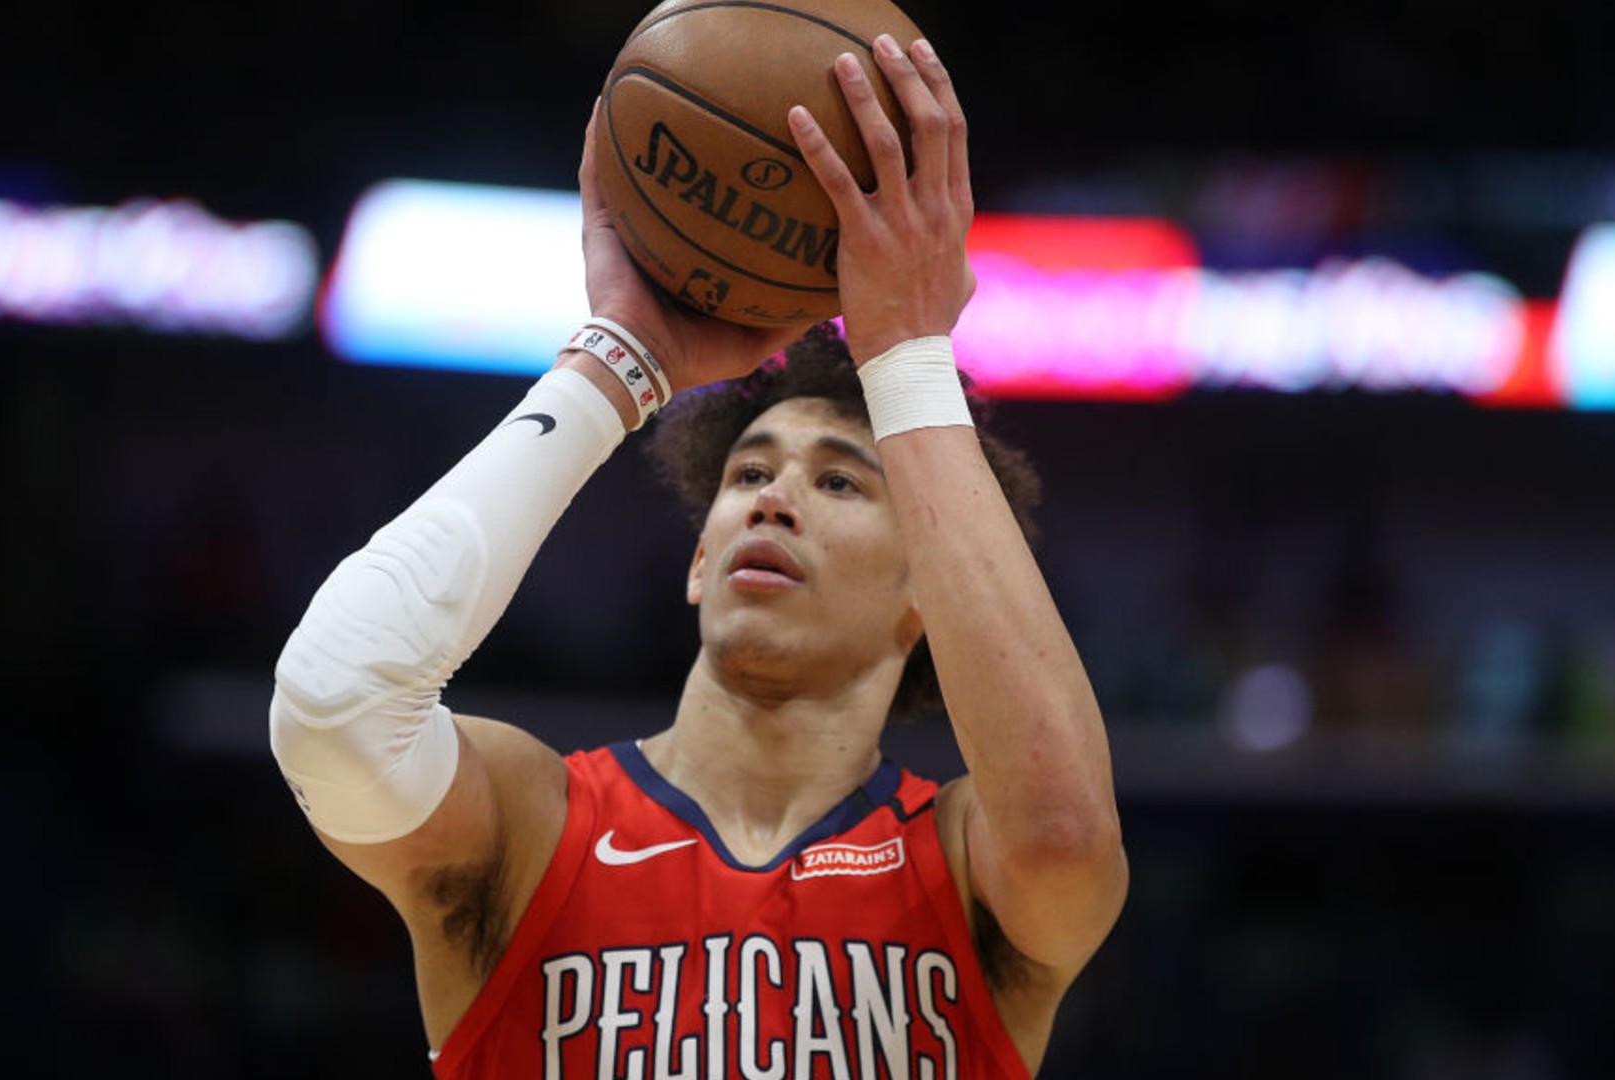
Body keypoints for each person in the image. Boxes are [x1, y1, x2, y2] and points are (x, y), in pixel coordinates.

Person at [268, 34, 1126, 1079]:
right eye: (749, 474)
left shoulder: (962, 865)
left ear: (926, 598)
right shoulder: (535, 829)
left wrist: (907, 353)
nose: (775, 498)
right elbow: (330, 707)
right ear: (695, 562)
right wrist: (616, 362)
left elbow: (1066, 837)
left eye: (840, 482)